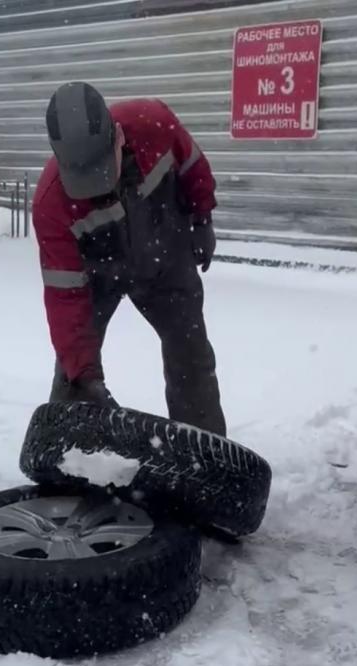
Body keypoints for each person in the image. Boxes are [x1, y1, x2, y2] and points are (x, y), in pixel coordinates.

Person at [32, 82, 226, 435]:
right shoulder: (51, 206)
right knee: (74, 375)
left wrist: (202, 217)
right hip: (97, 278)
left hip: (165, 255)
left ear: (118, 136)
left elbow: (193, 163)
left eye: (102, 172)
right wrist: (86, 376)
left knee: (191, 356)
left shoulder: (152, 122)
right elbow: (65, 298)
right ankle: (68, 454)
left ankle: (203, 456)